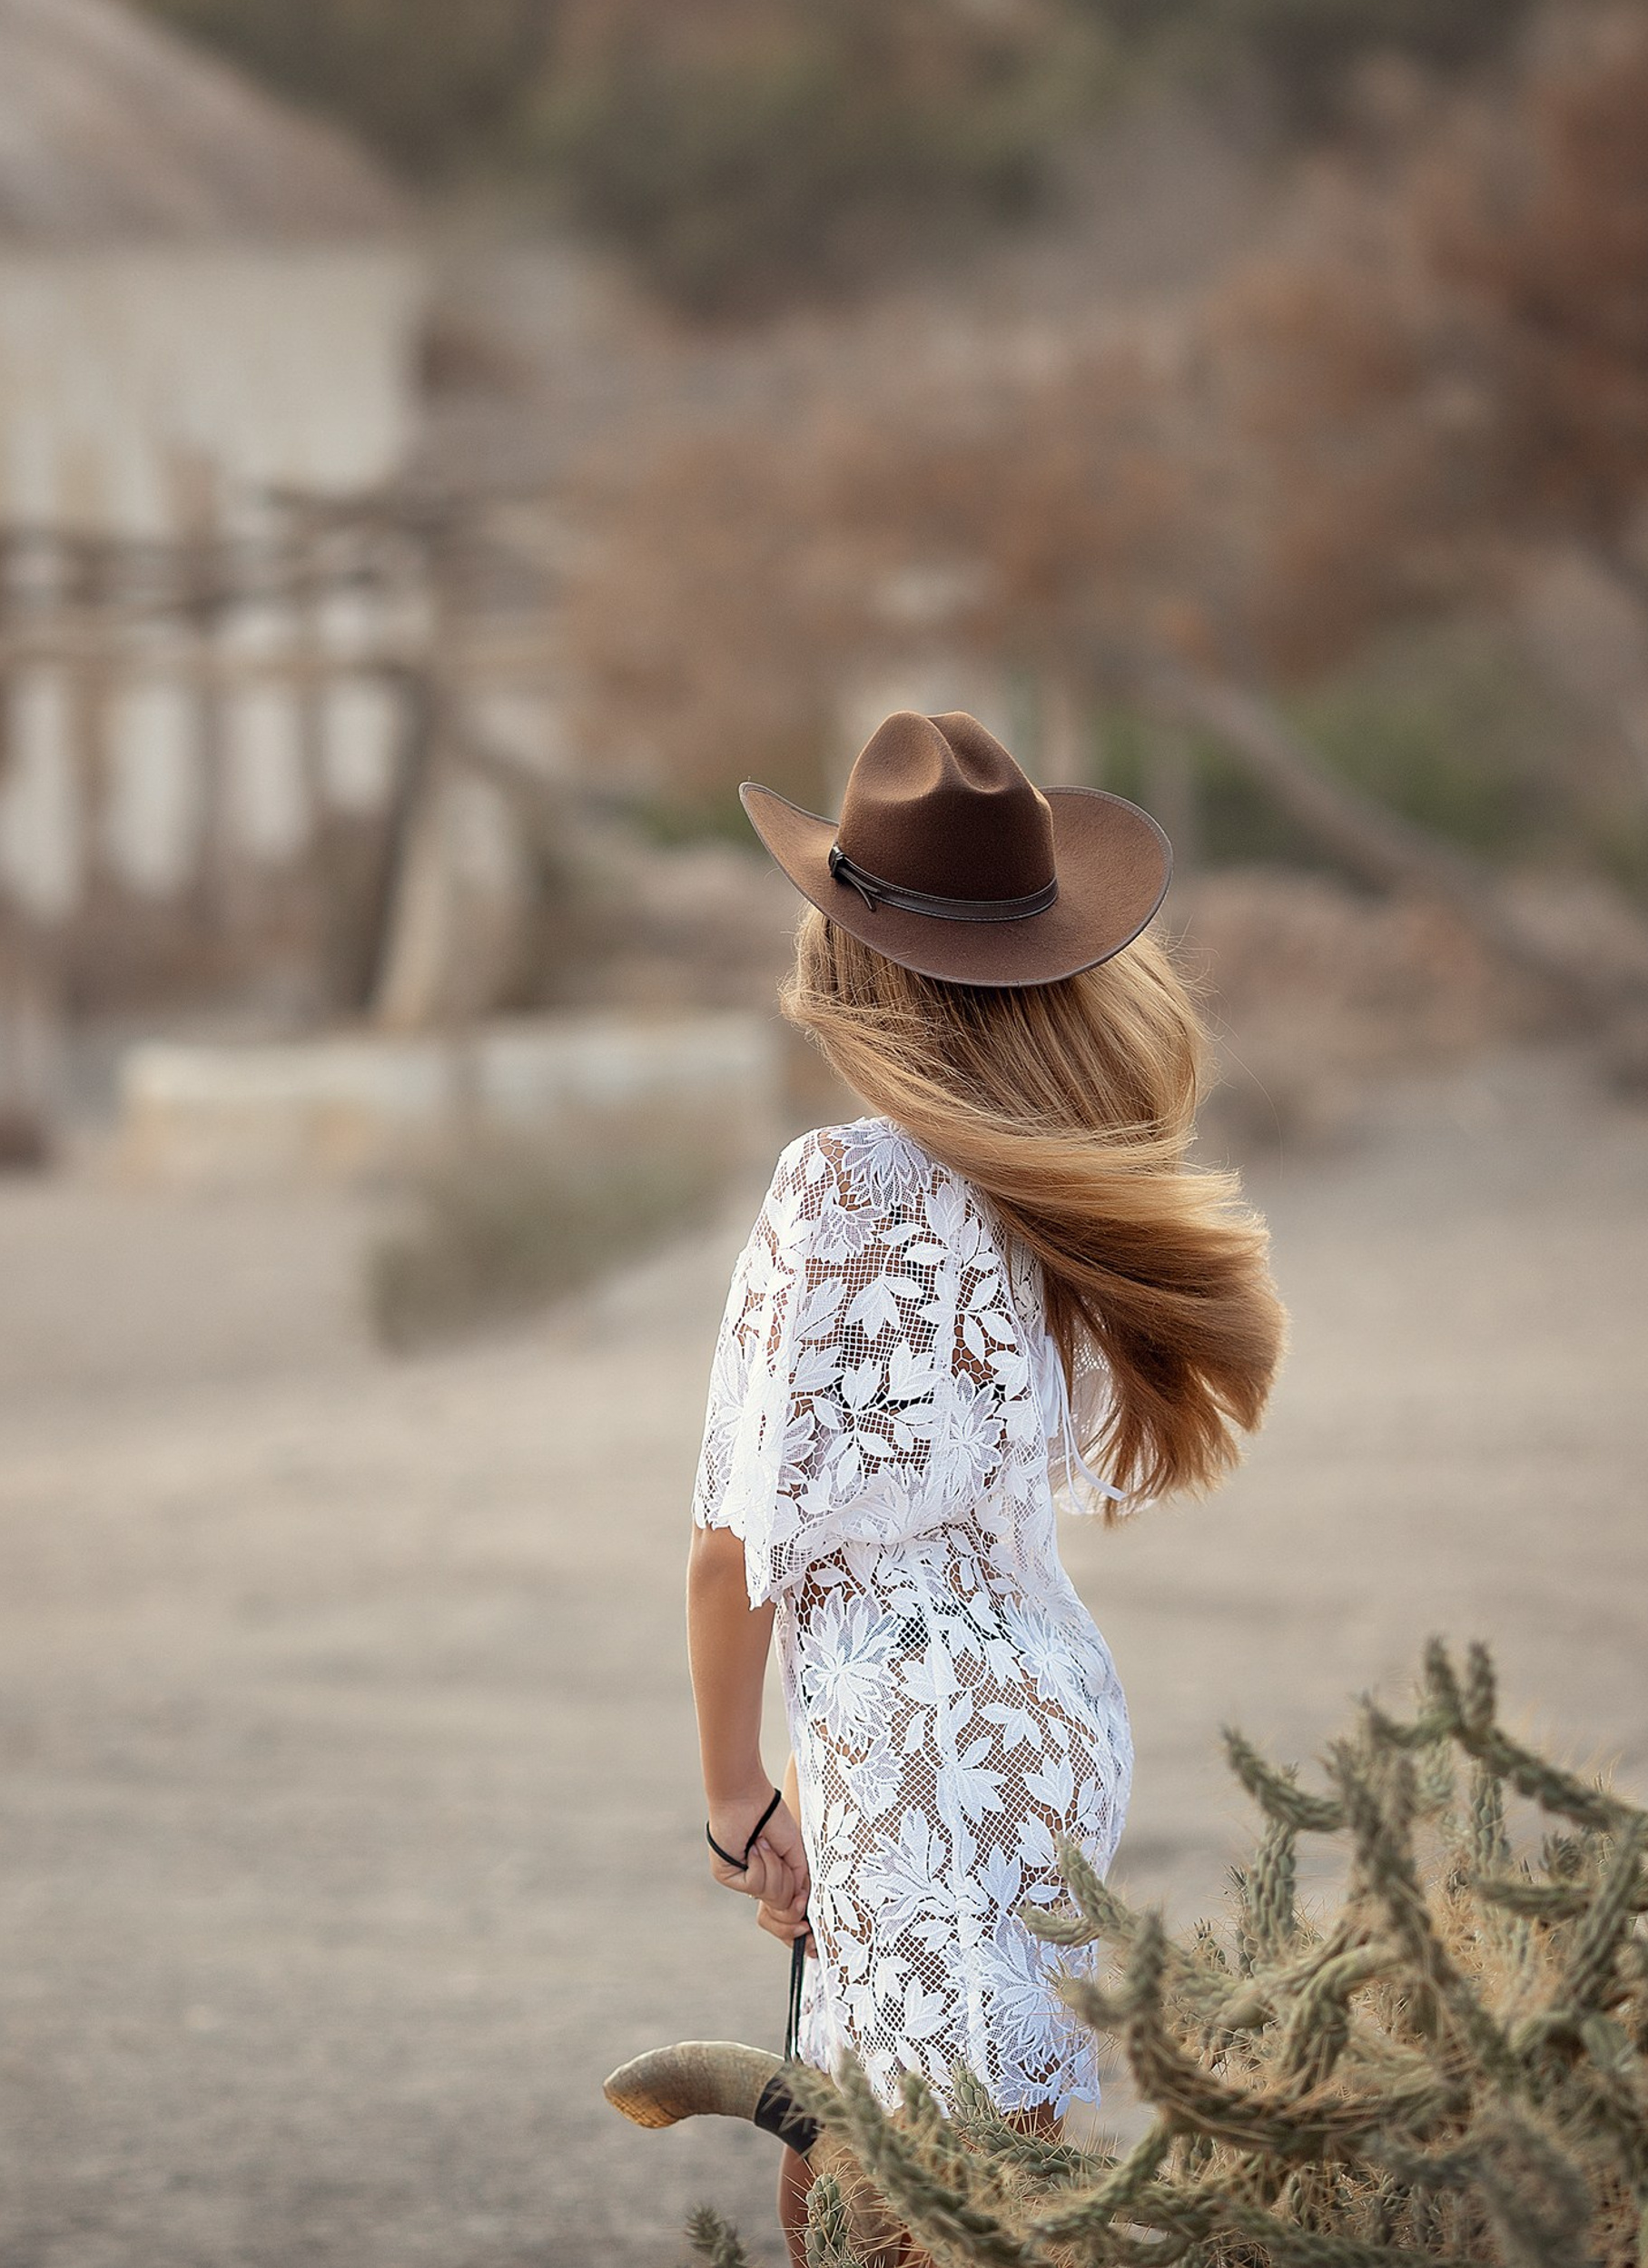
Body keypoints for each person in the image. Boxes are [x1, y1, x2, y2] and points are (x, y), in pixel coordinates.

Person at [686, 710, 1286, 2264]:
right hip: (1053, 1713)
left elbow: (732, 1543)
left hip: (907, 1734)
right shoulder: (1050, 1182)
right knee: (967, 2165)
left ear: (857, 960)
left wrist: (736, 1799)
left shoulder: (836, 1185)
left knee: (886, 2195)